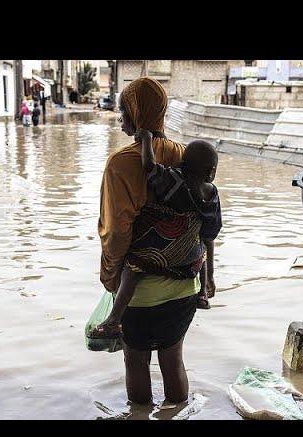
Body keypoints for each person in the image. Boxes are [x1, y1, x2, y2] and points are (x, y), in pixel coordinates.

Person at [97, 77, 214, 405]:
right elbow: (203, 222)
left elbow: (116, 233)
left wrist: (110, 278)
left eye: (123, 110)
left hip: (139, 294)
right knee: (173, 359)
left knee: (136, 363)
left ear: (136, 112)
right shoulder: (185, 155)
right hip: (185, 287)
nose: (120, 117)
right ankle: (177, 413)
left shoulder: (121, 164)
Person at [91, 130, 221, 340]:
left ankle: (114, 319)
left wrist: (147, 140)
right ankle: (203, 295)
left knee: (133, 268)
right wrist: (211, 276)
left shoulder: (175, 180)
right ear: (211, 172)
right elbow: (210, 234)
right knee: (203, 248)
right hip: (190, 263)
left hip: (159, 254)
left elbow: (149, 166)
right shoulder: (212, 195)